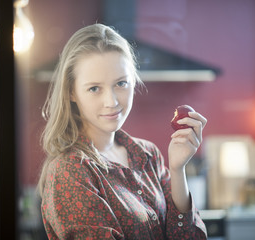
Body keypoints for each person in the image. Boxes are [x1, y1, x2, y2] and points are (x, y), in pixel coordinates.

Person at [37, 23, 207, 239]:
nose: (112, 101)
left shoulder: (148, 154)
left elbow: (189, 236)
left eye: (121, 83)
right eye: (94, 88)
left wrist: (177, 169)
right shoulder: (70, 170)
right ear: (71, 92)